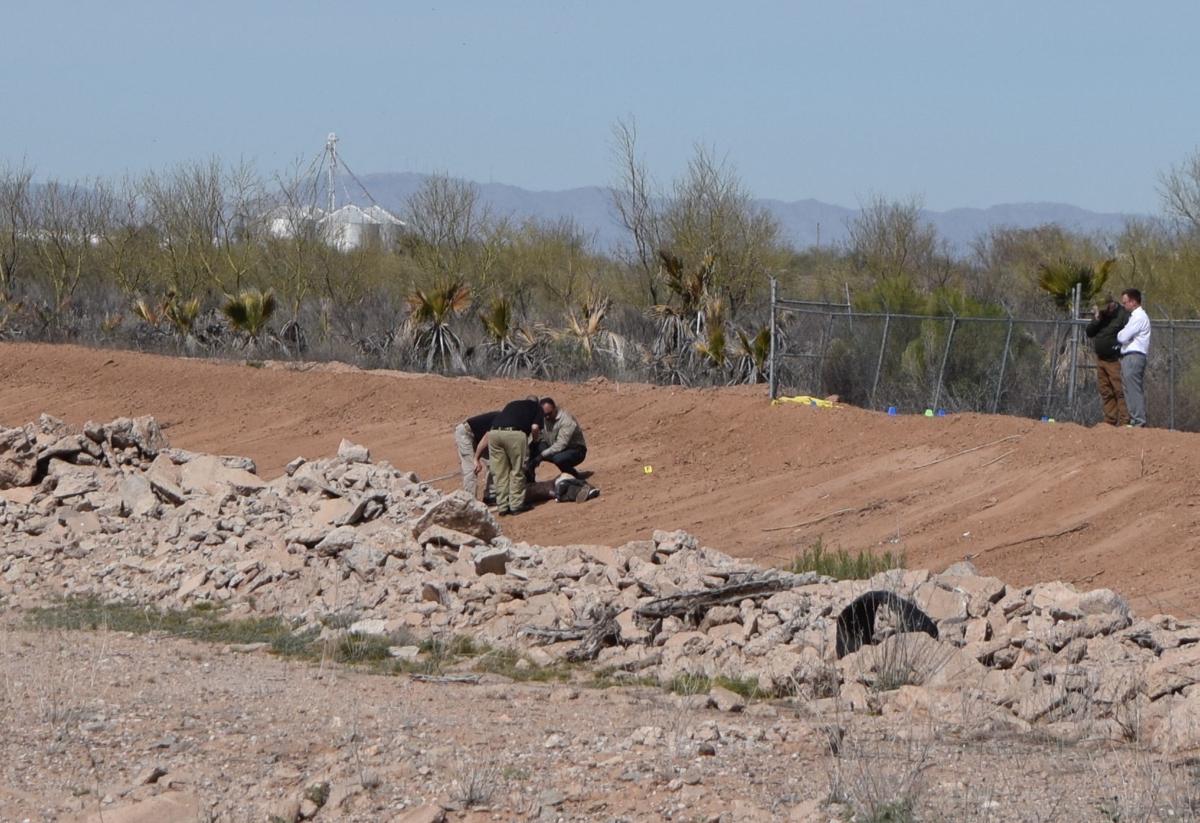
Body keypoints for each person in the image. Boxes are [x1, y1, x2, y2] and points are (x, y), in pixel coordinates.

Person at [488, 395, 544, 516]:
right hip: (514, 434)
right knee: (517, 470)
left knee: (500, 472)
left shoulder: (512, 404)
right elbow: (535, 427)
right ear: (537, 402)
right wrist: (535, 441)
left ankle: (502, 506)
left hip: (494, 434)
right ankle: (516, 505)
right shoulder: (536, 407)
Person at [1085, 296, 1129, 426]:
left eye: (1106, 308)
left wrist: (1119, 348)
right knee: (1106, 391)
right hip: (1101, 359)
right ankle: (1110, 420)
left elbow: (1130, 335)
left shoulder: (1123, 315)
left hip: (1115, 360)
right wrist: (1096, 319)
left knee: (1119, 391)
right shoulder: (1102, 316)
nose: (1105, 311)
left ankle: (1125, 420)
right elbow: (1089, 332)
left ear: (1112, 303)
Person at [528, 397, 587, 480]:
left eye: (549, 414)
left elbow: (561, 444)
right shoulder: (543, 417)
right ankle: (529, 479)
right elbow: (538, 436)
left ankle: (573, 475)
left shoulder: (566, 419)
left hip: (575, 450)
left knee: (559, 459)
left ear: (555, 408)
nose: (547, 417)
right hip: (555, 447)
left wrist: (541, 455)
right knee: (532, 449)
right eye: (545, 415)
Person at [1117, 288, 1151, 428]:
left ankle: (1139, 421)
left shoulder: (1139, 317)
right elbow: (1124, 336)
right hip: (1128, 356)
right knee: (1128, 389)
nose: (1124, 305)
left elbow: (1122, 337)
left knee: (1133, 389)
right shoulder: (1133, 317)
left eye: (1125, 302)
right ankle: (1134, 419)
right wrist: (1123, 336)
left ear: (1133, 302)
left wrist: (1122, 336)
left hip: (1134, 356)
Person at [453, 409, 498, 498]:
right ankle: (470, 499)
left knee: (494, 463)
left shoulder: (506, 419)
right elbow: (487, 437)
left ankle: (491, 495)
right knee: (471, 468)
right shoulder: (502, 420)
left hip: (479, 438)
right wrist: (476, 458)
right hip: (466, 433)